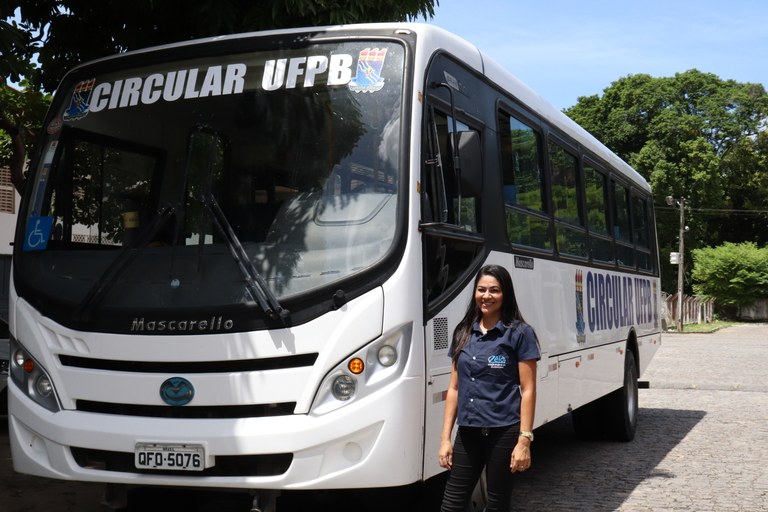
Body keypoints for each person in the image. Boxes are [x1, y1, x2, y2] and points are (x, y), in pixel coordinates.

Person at [438, 264, 540, 512]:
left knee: (496, 503)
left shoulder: (519, 333)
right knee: (451, 505)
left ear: (505, 294)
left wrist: (524, 441)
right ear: (474, 293)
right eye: (481, 290)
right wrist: (445, 439)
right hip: (469, 431)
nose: (487, 296)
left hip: (503, 431)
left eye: (494, 290)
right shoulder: (463, 332)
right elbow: (454, 388)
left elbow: (528, 390)